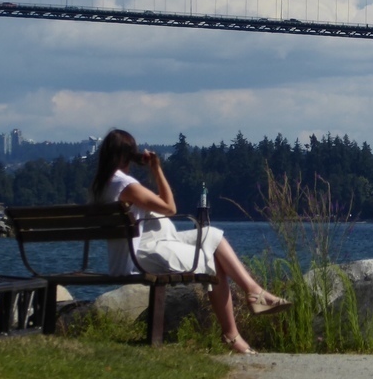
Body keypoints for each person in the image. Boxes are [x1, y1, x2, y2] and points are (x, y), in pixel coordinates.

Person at [90, 128, 290, 354]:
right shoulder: (124, 184)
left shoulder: (104, 184)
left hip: (135, 252)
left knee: (212, 235)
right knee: (214, 259)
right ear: (128, 156)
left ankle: (253, 292)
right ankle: (232, 334)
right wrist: (156, 170)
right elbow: (170, 208)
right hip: (139, 258)